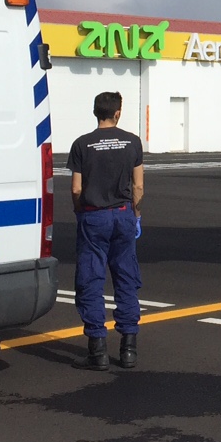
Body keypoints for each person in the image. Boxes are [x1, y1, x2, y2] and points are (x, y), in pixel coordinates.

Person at [67, 91, 145, 369]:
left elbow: (76, 188)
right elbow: (138, 186)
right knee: (126, 276)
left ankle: (98, 350)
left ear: (95, 112)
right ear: (118, 113)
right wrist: (135, 214)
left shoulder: (81, 144)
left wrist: (80, 211)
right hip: (123, 215)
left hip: (93, 216)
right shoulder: (132, 142)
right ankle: (129, 348)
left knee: (91, 278)